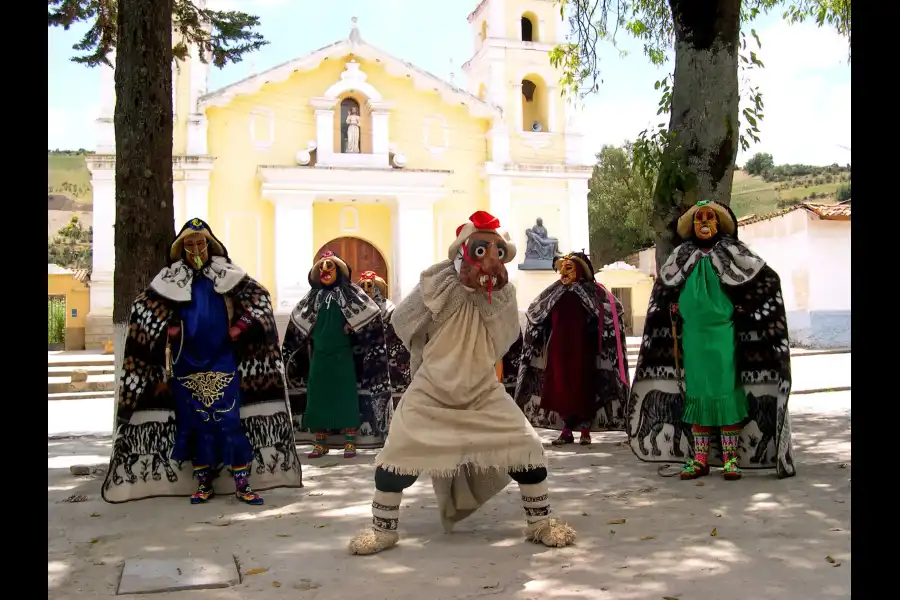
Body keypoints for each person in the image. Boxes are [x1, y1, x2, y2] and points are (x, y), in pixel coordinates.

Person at [348, 211, 576, 556]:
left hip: (483, 391)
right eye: (481, 251)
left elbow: (505, 337)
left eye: (498, 253)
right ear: (462, 252)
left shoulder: (504, 292)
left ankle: (540, 523)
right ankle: (384, 530)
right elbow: (402, 320)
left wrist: (489, 298)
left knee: (527, 448)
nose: (490, 260)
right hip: (430, 391)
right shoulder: (437, 284)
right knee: (396, 457)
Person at [101, 218, 303, 505]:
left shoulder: (227, 273)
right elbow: (143, 309)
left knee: (229, 421)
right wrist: (167, 328)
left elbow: (260, 301)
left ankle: (243, 484)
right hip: (186, 363)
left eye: (201, 243)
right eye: (189, 244)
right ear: (182, 250)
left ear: (210, 246)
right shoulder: (170, 278)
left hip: (224, 360)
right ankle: (204, 484)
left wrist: (240, 327)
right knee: (194, 424)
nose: (196, 248)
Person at [628, 200, 796, 480]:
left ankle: (731, 460)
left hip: (725, 336)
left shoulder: (734, 252)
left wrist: (740, 307)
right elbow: (664, 288)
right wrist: (673, 305)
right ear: (692, 226)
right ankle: (700, 459)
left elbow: (766, 280)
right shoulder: (681, 255)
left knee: (726, 391)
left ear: (719, 223)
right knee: (697, 393)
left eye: (709, 217)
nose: (704, 222)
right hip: (692, 338)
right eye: (698, 218)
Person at [283, 251, 393, 459]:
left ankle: (349, 441)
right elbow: (298, 317)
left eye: (330, 267)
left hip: (343, 355)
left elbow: (371, 312)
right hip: (320, 356)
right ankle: (320, 442)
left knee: (345, 396)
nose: (325, 271)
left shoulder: (351, 294)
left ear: (339, 271)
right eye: (322, 268)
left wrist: (353, 325)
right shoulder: (312, 297)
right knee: (318, 396)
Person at [515, 251, 630, 445]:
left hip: (583, 348)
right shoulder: (555, 291)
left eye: (569, 268)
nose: (563, 273)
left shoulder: (592, 292)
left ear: (580, 270)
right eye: (562, 269)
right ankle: (566, 431)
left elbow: (614, 309)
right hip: (558, 348)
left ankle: (585, 430)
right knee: (560, 388)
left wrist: (596, 328)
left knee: (583, 386)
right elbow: (537, 310)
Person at [357, 270, 411, 406]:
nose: (365, 289)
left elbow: (393, 334)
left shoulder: (388, 309)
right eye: (362, 286)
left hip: (389, 353)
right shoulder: (359, 309)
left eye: (369, 285)